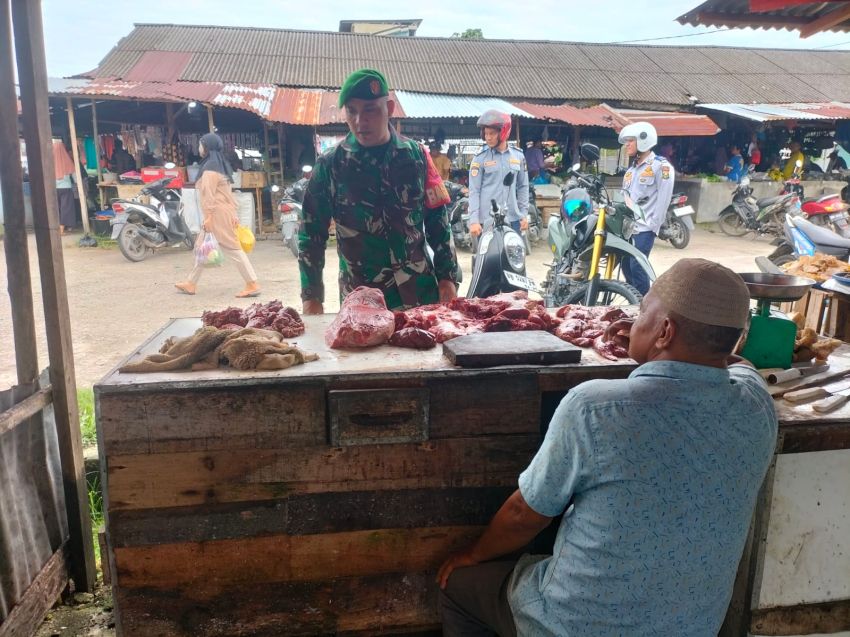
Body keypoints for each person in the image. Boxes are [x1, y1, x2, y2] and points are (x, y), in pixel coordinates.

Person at [436, 258, 778, 637]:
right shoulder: (757, 403)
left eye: (643, 309)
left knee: (461, 589)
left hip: (576, 625)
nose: (635, 318)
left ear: (665, 330)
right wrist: (668, 345)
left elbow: (524, 515)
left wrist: (472, 555)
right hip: (692, 627)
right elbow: (736, 364)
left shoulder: (595, 407)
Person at [298, 68, 458, 313]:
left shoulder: (417, 156)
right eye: (352, 111)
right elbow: (311, 233)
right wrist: (312, 297)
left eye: (370, 110)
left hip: (420, 296)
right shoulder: (331, 164)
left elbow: (438, 219)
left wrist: (447, 277)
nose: (361, 121)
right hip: (362, 301)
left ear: (389, 109)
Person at [174, 133, 260, 298]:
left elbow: (208, 195)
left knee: (232, 248)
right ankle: (191, 283)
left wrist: (209, 218)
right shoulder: (219, 164)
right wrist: (233, 213)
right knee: (201, 247)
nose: (199, 147)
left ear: (206, 146)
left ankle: (252, 283)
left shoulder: (210, 167)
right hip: (222, 211)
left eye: (201, 144)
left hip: (216, 213)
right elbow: (228, 193)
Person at [619, 121, 674, 296]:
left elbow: (663, 200)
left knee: (638, 267)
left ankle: (644, 305)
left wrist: (653, 226)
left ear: (643, 141)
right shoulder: (631, 171)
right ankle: (634, 299)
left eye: (631, 140)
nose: (627, 144)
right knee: (626, 265)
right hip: (627, 229)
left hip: (644, 228)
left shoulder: (661, 167)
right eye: (626, 141)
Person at [468, 110, 529, 238]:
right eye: (486, 133)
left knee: (515, 257)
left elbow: (523, 187)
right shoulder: (479, 159)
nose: (488, 137)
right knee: (487, 258)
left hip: (513, 220)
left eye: (492, 133)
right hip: (487, 221)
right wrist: (474, 220)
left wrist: (523, 214)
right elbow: (474, 191)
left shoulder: (519, 156)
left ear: (503, 132)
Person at [53, 139, 77, 236]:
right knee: (66, 207)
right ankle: (62, 228)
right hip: (66, 188)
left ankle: (58, 227)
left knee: (56, 208)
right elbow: (74, 175)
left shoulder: (50, 161)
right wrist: (77, 184)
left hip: (54, 188)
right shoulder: (67, 160)